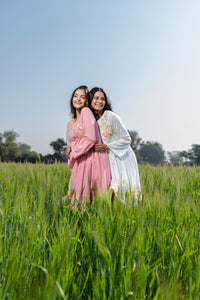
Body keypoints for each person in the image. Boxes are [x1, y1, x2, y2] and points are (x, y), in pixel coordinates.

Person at [89, 87, 141, 205]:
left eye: (103, 99)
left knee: (121, 189)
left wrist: (106, 146)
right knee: (108, 190)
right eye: (96, 98)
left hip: (121, 157)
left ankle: (126, 217)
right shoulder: (93, 121)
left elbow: (127, 138)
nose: (99, 101)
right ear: (90, 100)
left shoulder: (110, 116)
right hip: (106, 158)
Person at [66, 85, 111, 209]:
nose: (78, 99)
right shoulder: (70, 124)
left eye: (82, 97)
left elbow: (90, 139)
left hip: (91, 160)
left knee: (90, 198)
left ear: (87, 101)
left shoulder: (87, 112)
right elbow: (69, 145)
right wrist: (70, 149)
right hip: (79, 163)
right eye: (75, 96)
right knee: (77, 198)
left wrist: (73, 150)